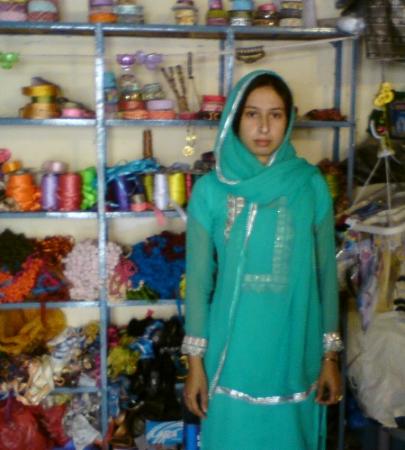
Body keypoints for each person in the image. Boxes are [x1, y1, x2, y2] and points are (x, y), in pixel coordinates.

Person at [181, 70, 343, 450]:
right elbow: (199, 282)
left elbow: (325, 274)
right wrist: (195, 364)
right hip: (231, 355)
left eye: (276, 114)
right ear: (235, 119)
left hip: (295, 350)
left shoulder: (309, 185)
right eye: (252, 114)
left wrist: (330, 356)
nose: (264, 127)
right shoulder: (211, 190)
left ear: (289, 120)